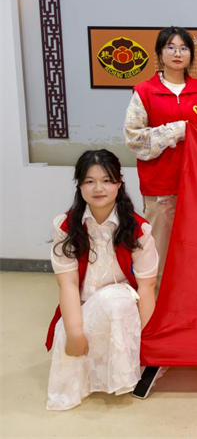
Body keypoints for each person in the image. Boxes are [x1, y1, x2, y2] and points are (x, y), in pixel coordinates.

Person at [45, 150, 158, 410]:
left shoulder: (137, 228)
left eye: (107, 180)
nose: (98, 188)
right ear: (79, 185)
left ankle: (122, 374)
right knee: (66, 336)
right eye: (89, 181)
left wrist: (148, 342)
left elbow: (147, 286)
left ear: (119, 183)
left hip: (123, 306)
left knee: (113, 301)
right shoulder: (65, 226)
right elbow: (67, 284)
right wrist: (74, 331)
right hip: (83, 306)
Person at [124, 26, 197, 281]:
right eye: (170, 47)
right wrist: (177, 130)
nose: (177, 53)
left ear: (191, 54)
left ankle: (193, 297)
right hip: (160, 185)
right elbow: (134, 139)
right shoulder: (145, 91)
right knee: (159, 250)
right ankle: (157, 299)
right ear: (160, 53)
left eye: (183, 48)